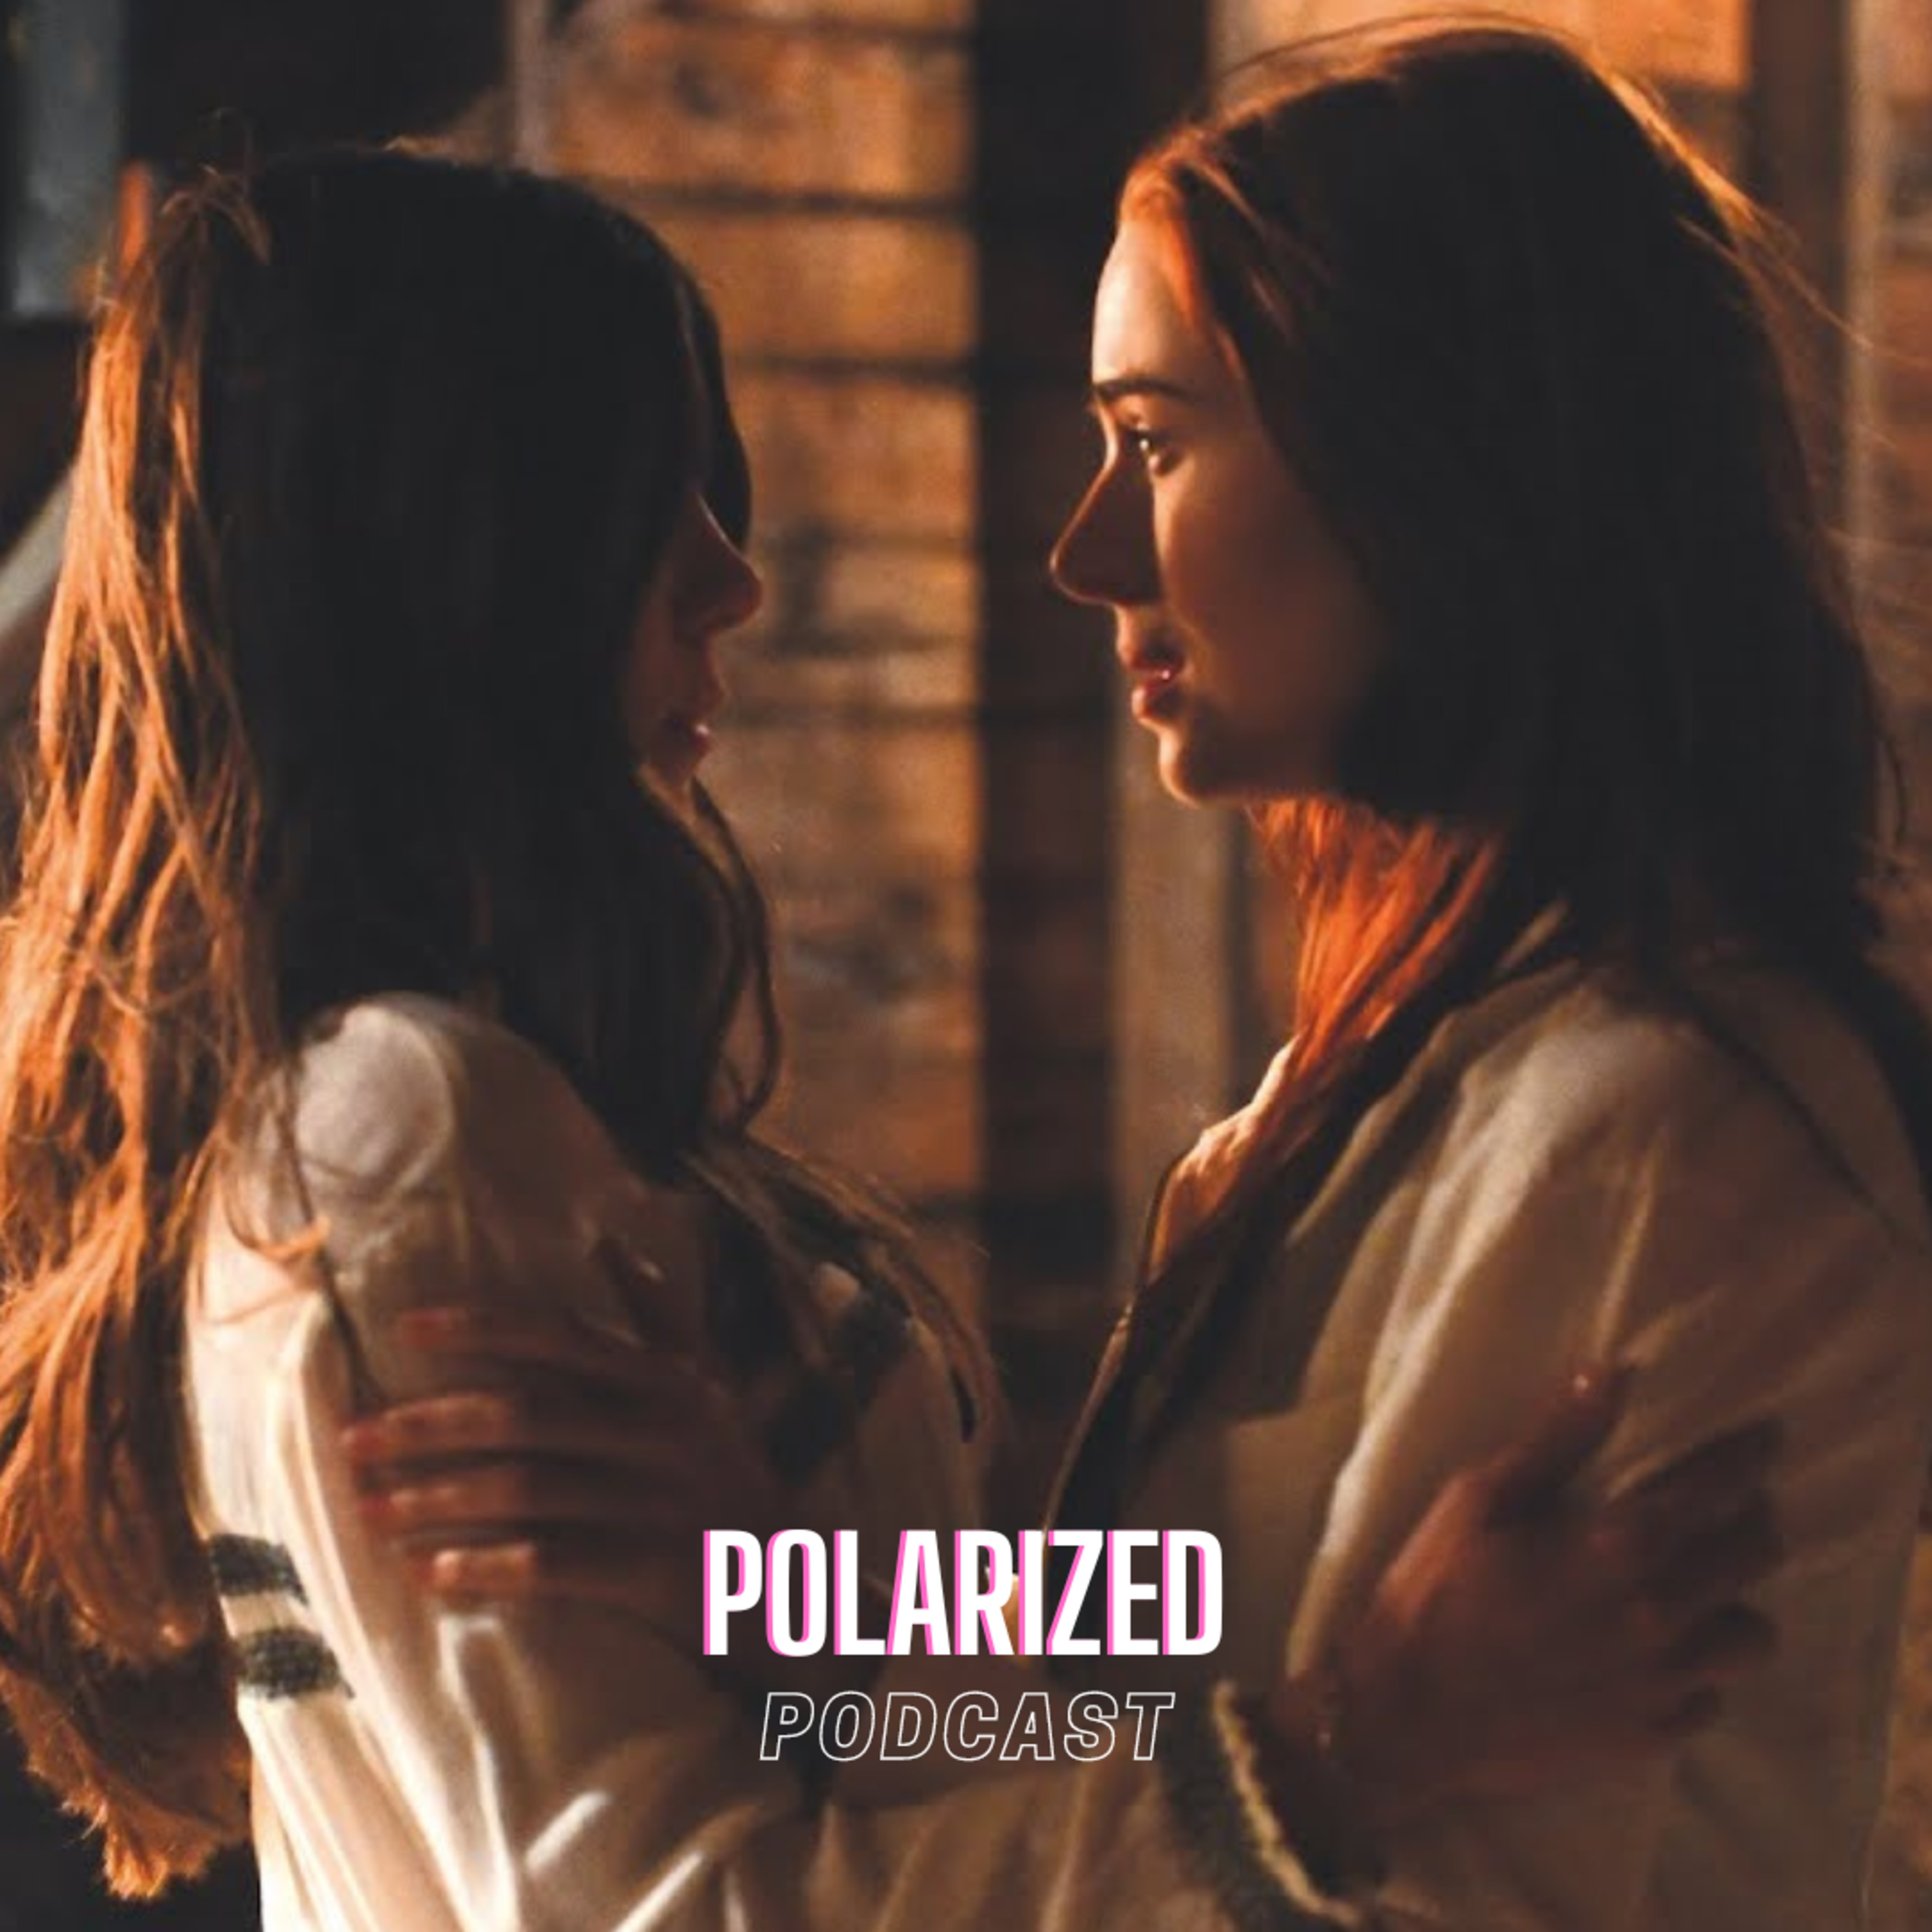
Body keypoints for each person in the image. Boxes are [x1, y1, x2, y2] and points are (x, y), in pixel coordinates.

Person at [0, 142, 1781, 1932]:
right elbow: (679, 1903)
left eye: (1159, 445)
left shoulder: (481, 1105)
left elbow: (1000, 1715)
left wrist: (802, 1593)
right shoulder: (405, 1122)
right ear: (444, 538)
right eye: (644, 489)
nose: (732, 578)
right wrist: (1354, 1750)